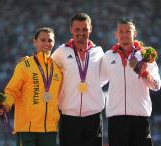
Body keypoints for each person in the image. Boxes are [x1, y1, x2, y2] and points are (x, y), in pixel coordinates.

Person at [0, 27, 62, 146]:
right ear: (35, 42)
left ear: (54, 43)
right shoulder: (24, 65)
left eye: (50, 40)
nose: (46, 43)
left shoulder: (58, 69)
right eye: (43, 40)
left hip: (49, 129)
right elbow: (12, 91)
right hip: (27, 129)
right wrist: (6, 104)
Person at [101, 18, 161, 146]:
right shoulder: (108, 57)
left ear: (135, 33)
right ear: (116, 34)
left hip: (140, 118)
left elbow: (156, 85)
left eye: (128, 31)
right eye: (121, 31)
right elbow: (98, 82)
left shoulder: (145, 55)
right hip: (116, 120)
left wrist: (145, 73)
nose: (124, 34)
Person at [51, 12, 104, 146]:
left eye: (85, 29)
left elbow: (104, 77)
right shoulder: (61, 52)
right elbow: (47, 72)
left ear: (90, 29)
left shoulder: (98, 52)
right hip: (69, 115)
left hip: (93, 115)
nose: (81, 32)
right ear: (71, 29)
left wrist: (92, 88)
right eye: (77, 29)